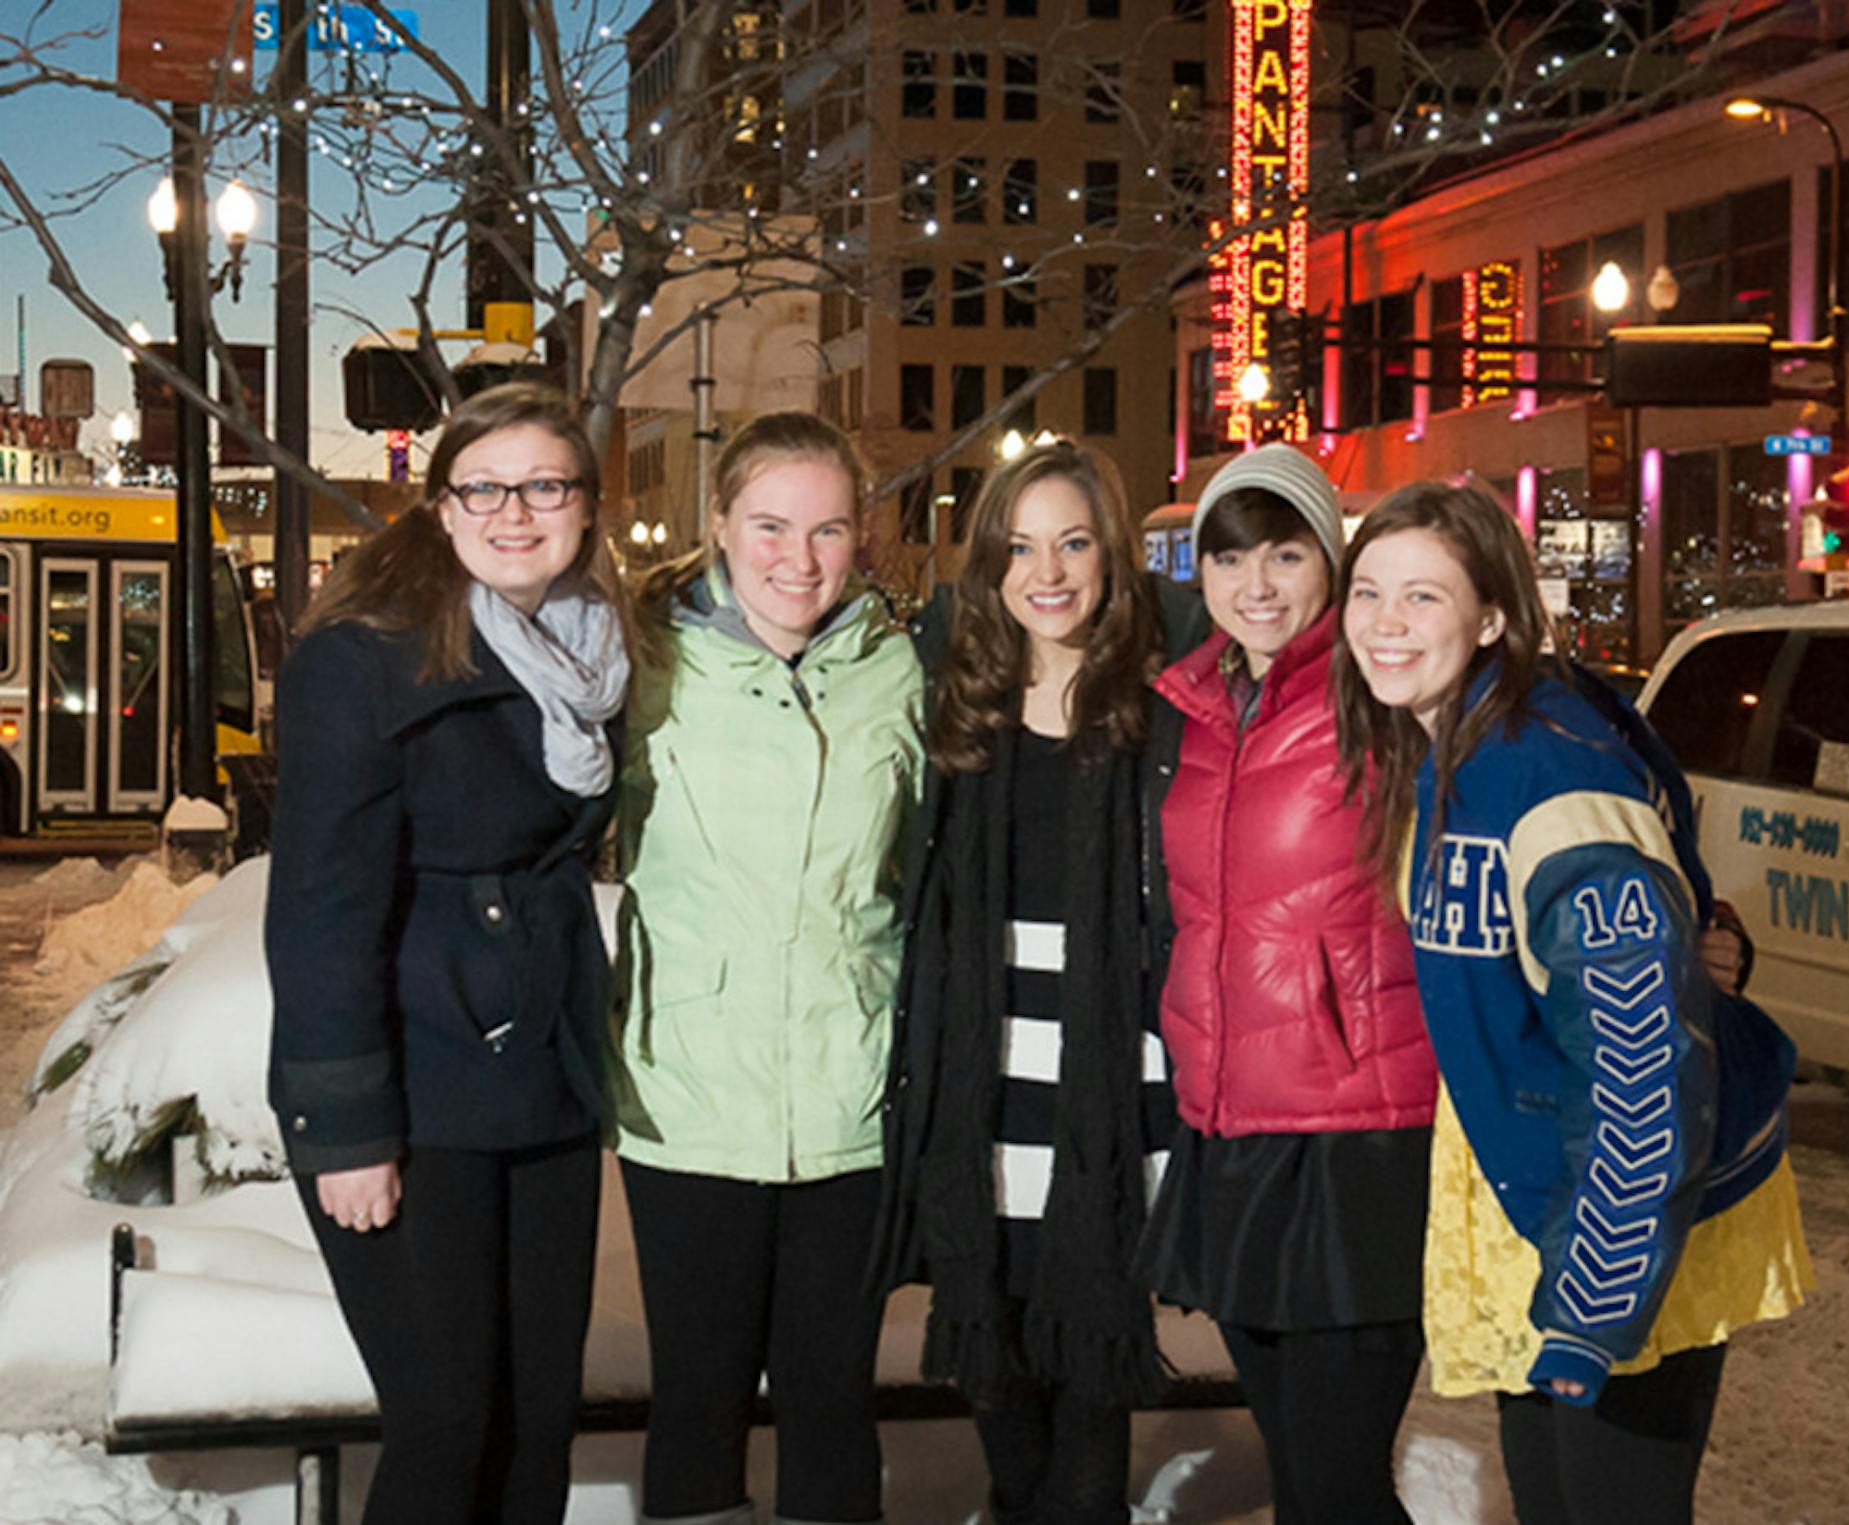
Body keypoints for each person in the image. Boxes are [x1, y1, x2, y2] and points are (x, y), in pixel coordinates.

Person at [1333, 480, 1814, 1525]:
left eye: (1422, 597)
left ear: (1493, 614)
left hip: (1628, 1213)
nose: (1382, 623)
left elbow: (1643, 1056)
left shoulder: (1540, 770)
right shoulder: (1454, 740)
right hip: (1542, 1195)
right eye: (1367, 591)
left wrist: (1596, 1296)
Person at [265, 382, 631, 1525]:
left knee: (535, 1421)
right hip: (416, 1093)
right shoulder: (362, 656)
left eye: (545, 485)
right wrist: (350, 1131)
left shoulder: (591, 656)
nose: (514, 511)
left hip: (544, 1081)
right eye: (484, 486)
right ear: (438, 506)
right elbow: (320, 911)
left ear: (585, 505)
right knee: (443, 1418)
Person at [609, 411, 923, 1525]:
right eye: (773, 526)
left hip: (850, 1093)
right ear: (720, 527)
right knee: (697, 1396)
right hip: (687, 1092)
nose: (801, 559)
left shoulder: (896, 668)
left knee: (832, 1396)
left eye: (829, 528)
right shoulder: (646, 661)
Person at [878, 441, 1200, 1525]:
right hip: (982, 1065)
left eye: (1073, 542)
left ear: (1114, 554)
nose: (1047, 571)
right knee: (998, 1367)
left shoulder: (1168, 691)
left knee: (1087, 1366)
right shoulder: (951, 682)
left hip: (1107, 1066)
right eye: (1020, 546)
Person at [1133, 445, 1436, 1525]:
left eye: (1284, 552)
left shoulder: (1380, 687)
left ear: (1331, 558)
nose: (1255, 582)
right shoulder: (1200, 704)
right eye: (1227, 556)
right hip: (1232, 1124)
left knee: (1338, 1481)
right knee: (1303, 1479)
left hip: (1358, 1134)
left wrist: (1689, 903)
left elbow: (1537, 778)